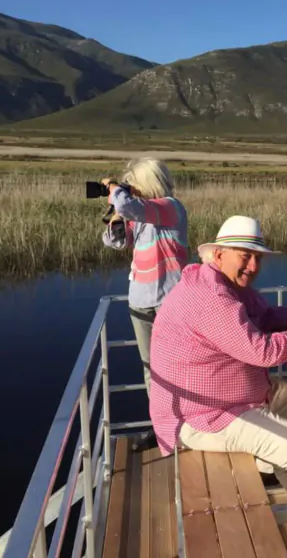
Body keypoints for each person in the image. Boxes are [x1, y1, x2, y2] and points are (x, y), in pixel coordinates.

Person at [149, 215, 287, 505]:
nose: (253, 267)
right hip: (202, 414)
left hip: (235, 397)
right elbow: (262, 352)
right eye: (245, 256)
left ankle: (284, 473)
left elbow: (265, 316)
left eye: (257, 258)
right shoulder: (211, 296)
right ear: (218, 255)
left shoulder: (226, 284)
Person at [101, 157, 188, 451]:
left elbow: (130, 206)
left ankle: (189, 425)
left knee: (178, 367)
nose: (131, 189)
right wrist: (115, 218)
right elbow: (115, 242)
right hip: (140, 301)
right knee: (152, 370)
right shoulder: (140, 215)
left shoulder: (169, 207)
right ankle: (161, 427)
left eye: (133, 184)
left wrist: (116, 190)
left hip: (170, 301)